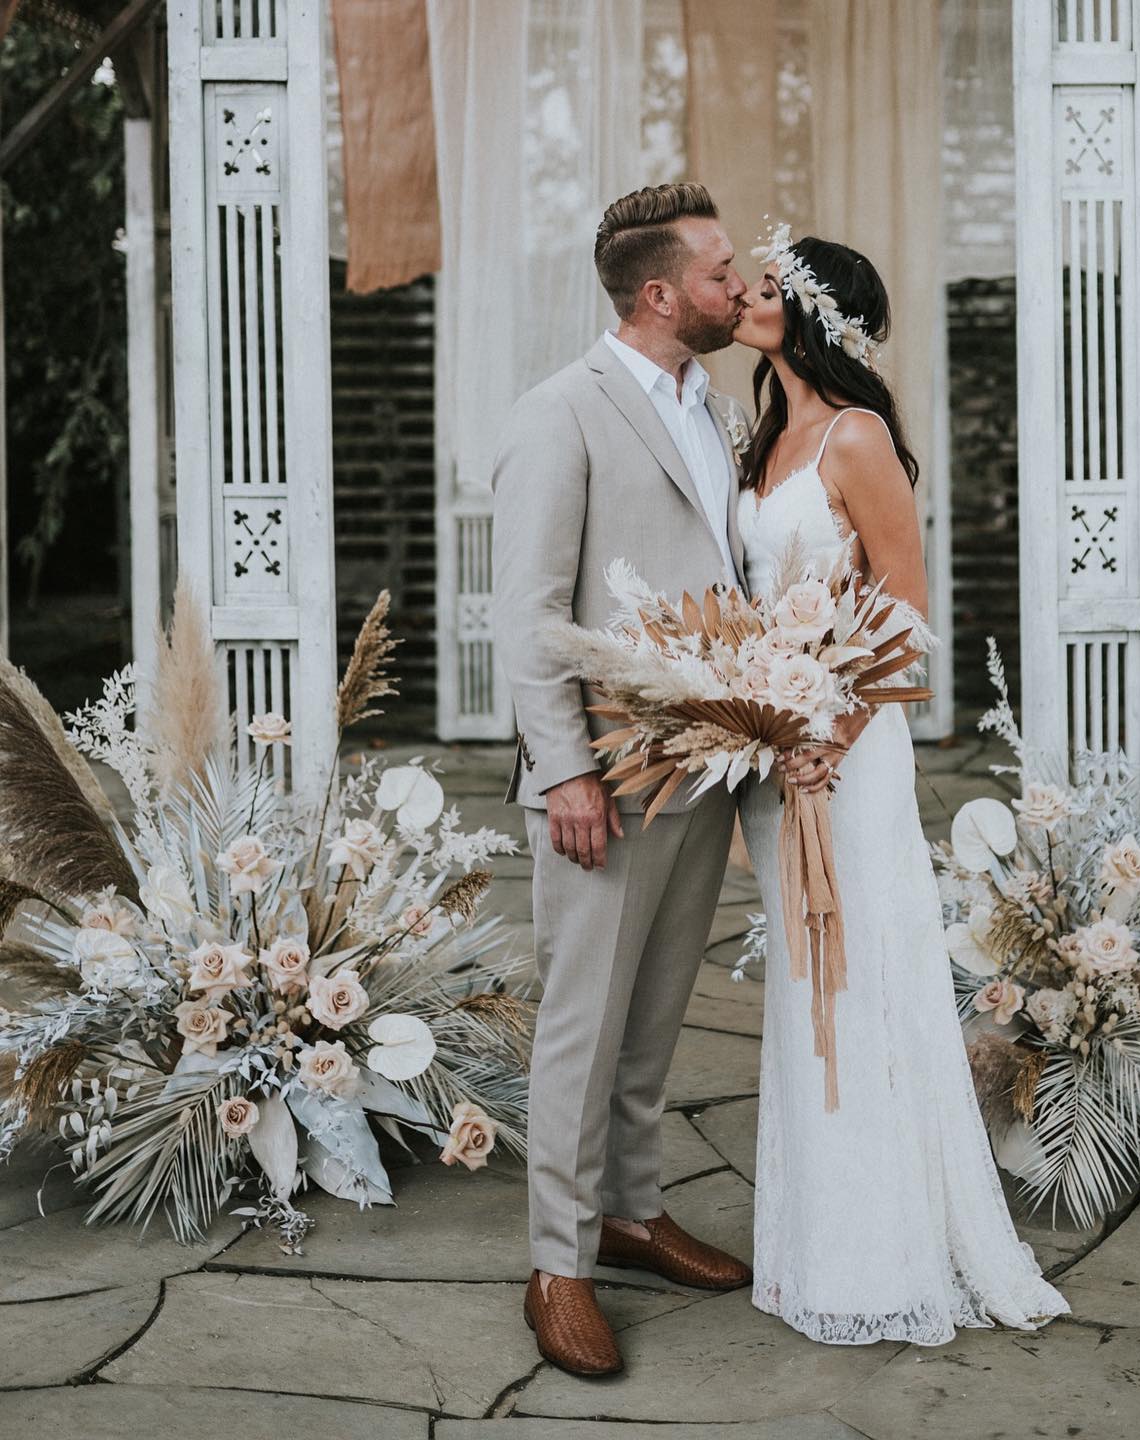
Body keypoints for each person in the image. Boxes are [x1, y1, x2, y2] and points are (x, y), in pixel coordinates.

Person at [731, 227, 1070, 1345]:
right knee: (801, 986)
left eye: (767, 286)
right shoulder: (765, 433)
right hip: (780, 748)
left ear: (817, 315)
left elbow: (906, 620)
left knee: (859, 978)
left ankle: (880, 1257)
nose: (744, 293)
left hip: (848, 748)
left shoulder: (855, 436)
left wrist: (829, 729)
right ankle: (812, 1242)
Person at [492, 183, 754, 1378]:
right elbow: (533, 617)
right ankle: (558, 1263)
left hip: (697, 773)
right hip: (602, 779)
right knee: (580, 1028)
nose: (741, 286)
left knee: (653, 1018)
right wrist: (564, 774)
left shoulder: (716, 404)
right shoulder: (563, 413)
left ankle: (633, 1211)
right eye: (720, 270)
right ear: (659, 294)